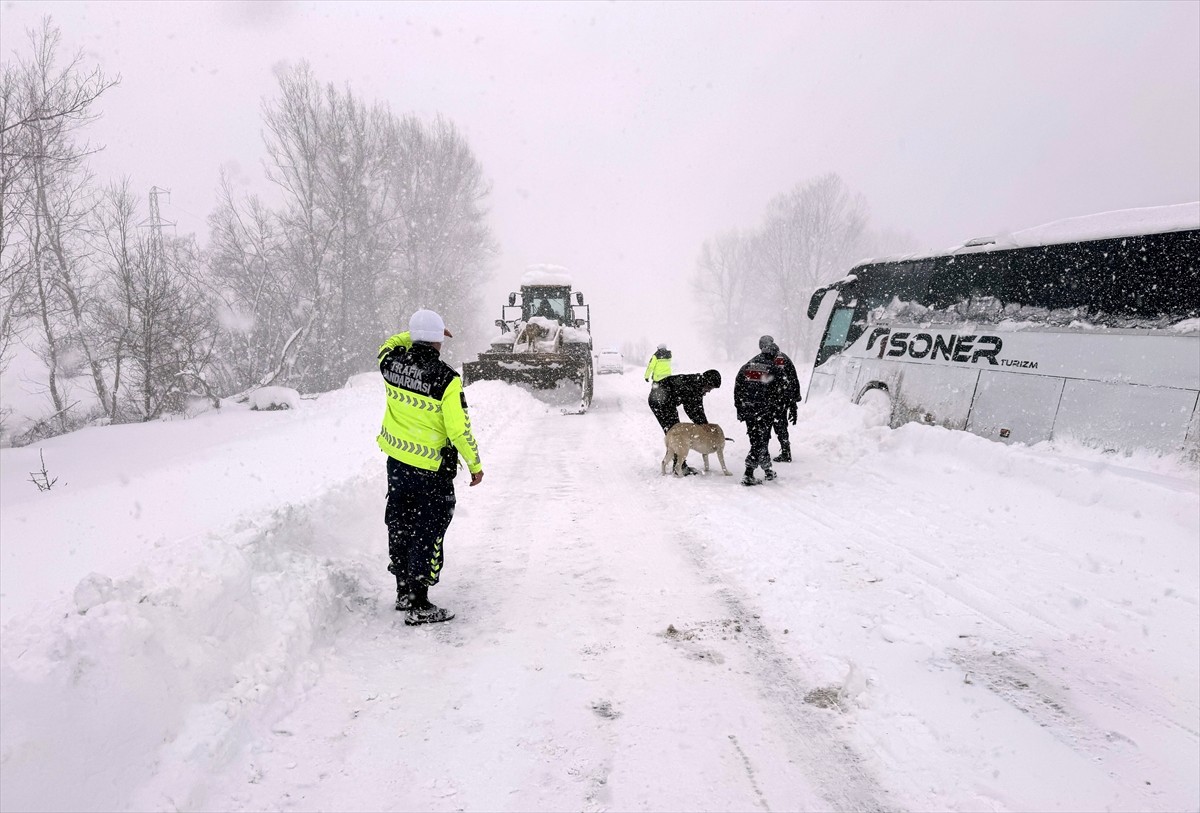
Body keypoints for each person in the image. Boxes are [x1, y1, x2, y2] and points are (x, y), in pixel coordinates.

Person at [377, 309, 484, 626]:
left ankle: (402, 591)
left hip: (397, 464)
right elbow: (458, 430)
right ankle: (419, 603)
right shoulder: (446, 379)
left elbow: (387, 344)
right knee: (427, 531)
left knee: (400, 523)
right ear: (439, 340)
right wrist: (475, 465)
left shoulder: (390, 364)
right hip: (431, 472)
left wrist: (413, 334)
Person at [651, 369, 723, 474]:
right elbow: (692, 408)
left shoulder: (696, 383)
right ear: (706, 381)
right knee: (677, 434)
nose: (709, 391)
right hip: (661, 400)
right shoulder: (694, 385)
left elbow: (696, 407)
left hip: (661, 398)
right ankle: (680, 467)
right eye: (710, 387)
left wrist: (703, 422)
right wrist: (703, 423)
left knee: (675, 432)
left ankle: (675, 463)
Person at [734, 341, 781, 486]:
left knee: (757, 439)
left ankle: (767, 470)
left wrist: (740, 408)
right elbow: (778, 391)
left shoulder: (747, 365)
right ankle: (748, 473)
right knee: (761, 440)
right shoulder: (773, 368)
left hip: (748, 410)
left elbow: (738, 388)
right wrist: (776, 408)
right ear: (772, 354)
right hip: (763, 411)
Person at [757, 335, 801, 462]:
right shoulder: (783, 357)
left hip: (771, 398)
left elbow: (762, 380)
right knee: (781, 425)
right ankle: (786, 450)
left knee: (765, 426)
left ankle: (763, 453)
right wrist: (793, 400)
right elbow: (793, 379)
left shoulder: (767, 359)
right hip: (782, 399)